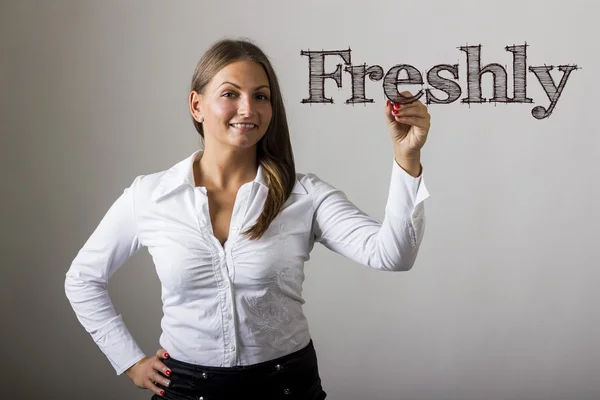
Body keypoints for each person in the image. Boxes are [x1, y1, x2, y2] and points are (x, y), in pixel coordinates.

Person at [64, 38, 431, 400]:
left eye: (261, 96)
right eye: (230, 94)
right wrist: (130, 361)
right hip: (187, 390)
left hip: (286, 387)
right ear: (197, 105)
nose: (248, 109)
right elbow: (83, 279)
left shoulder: (304, 195)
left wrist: (407, 158)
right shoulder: (150, 195)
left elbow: (393, 255)